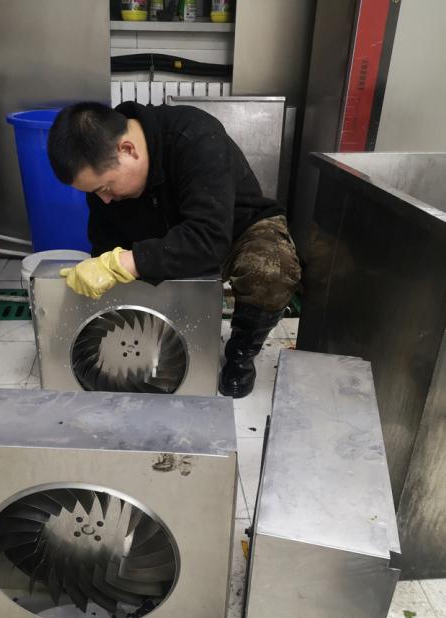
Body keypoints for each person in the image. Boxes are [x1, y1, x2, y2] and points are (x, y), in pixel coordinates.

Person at [47, 101, 301, 398]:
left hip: (234, 231)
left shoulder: (196, 136)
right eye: (94, 192)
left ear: (128, 149)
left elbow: (209, 239)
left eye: (105, 187)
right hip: (165, 241)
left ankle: (242, 352)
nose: (103, 199)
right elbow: (106, 251)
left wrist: (127, 263)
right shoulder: (106, 190)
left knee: (272, 269)